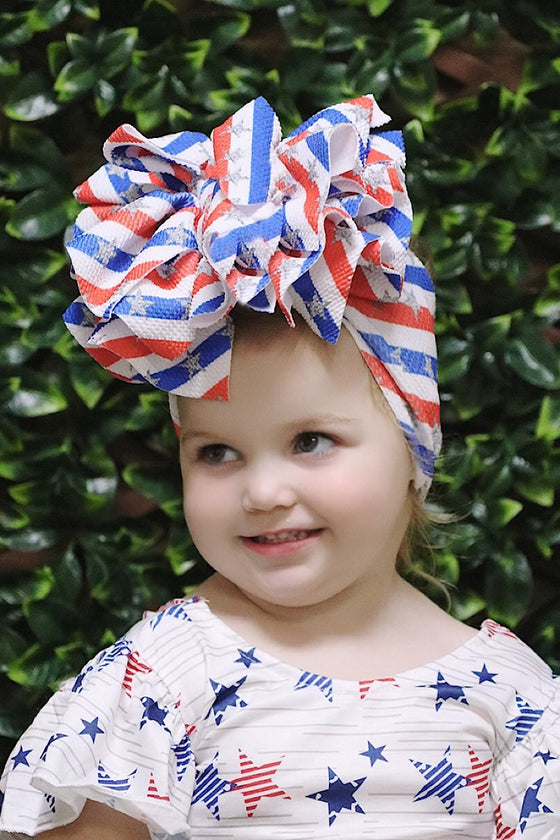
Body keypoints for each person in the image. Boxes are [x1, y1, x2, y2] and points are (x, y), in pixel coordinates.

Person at [0, 95, 558, 840]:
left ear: (412, 444)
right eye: (217, 452)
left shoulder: (511, 698)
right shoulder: (159, 679)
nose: (262, 491)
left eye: (311, 441)